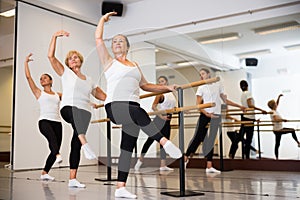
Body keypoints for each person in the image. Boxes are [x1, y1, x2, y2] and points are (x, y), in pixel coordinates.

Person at [95, 12, 181, 199]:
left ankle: (120, 188)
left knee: (127, 146)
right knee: (138, 110)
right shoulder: (109, 62)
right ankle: (164, 142)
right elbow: (98, 38)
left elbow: (146, 85)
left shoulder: (134, 65)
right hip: (115, 106)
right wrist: (102, 20)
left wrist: (166, 87)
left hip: (132, 109)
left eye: (121, 41)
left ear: (127, 46)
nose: (117, 43)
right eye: (114, 41)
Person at [48, 30, 106, 188]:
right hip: (68, 109)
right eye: (69, 58)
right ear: (67, 63)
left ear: (80, 60)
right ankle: (86, 144)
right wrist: (54, 37)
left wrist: (115, 99)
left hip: (85, 112)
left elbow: (101, 95)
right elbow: (51, 57)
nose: (72, 59)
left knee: (75, 144)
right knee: (76, 117)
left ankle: (73, 178)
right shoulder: (65, 73)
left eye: (75, 57)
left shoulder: (89, 80)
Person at [184, 68, 245, 173]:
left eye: (203, 73)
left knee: (211, 139)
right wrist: (205, 113)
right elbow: (198, 104)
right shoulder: (201, 86)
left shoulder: (218, 85)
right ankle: (186, 156)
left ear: (208, 74)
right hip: (205, 115)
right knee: (198, 137)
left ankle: (209, 166)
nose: (201, 75)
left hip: (216, 115)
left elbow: (225, 100)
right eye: (200, 74)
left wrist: (239, 106)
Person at [24, 53, 63, 181]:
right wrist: (25, 63)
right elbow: (29, 78)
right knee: (53, 143)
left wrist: (91, 104)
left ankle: (45, 172)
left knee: (54, 147)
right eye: (41, 79)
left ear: (51, 81)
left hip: (57, 122)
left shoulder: (58, 94)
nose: (42, 80)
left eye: (45, 78)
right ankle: (57, 155)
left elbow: (72, 99)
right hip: (44, 121)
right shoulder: (38, 92)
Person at [134, 76, 177, 172]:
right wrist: (162, 117)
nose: (161, 83)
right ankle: (140, 160)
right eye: (159, 82)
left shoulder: (172, 93)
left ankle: (163, 165)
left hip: (168, 120)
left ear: (166, 82)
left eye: (162, 81)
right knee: (150, 140)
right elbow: (154, 107)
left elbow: (174, 106)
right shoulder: (160, 94)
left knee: (164, 142)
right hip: (159, 119)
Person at [230, 80, 267, 159]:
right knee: (248, 138)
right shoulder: (248, 93)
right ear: (247, 86)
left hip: (245, 116)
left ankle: (233, 153)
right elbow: (250, 105)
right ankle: (246, 156)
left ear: (241, 87)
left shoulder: (243, 95)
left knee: (241, 136)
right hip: (249, 117)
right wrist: (261, 110)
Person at [267, 94, 300, 159]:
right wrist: (283, 120)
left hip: (278, 129)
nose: (276, 104)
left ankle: (276, 158)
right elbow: (276, 119)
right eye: (275, 104)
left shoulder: (274, 110)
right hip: (278, 130)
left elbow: (277, 103)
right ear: (273, 106)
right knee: (292, 130)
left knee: (277, 144)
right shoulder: (273, 112)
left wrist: (279, 97)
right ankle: (298, 142)